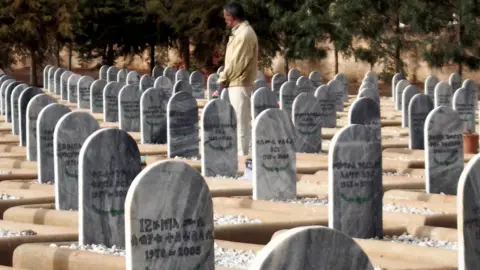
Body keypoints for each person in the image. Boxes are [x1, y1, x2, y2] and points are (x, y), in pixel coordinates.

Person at [218, 2, 258, 156]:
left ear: (232, 16)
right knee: (238, 120)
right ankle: (239, 152)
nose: (224, 20)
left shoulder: (245, 34)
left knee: (241, 121)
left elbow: (237, 62)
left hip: (240, 83)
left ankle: (242, 156)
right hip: (235, 82)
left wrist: (222, 78)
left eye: (225, 16)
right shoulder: (239, 32)